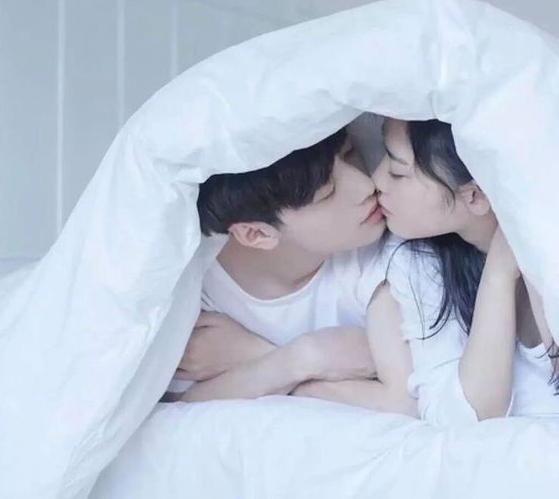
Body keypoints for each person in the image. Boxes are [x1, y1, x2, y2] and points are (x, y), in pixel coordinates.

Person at [168, 126, 416, 416]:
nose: (365, 185)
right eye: (328, 193)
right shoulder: (195, 288)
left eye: (349, 154)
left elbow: (407, 403)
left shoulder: (381, 256)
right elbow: (177, 408)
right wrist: (300, 360)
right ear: (257, 234)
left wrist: (264, 357)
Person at [370, 117, 559, 425]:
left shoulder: (548, 241)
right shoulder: (417, 258)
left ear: (475, 195)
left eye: (397, 171)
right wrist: (498, 274)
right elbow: (458, 418)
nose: (375, 179)